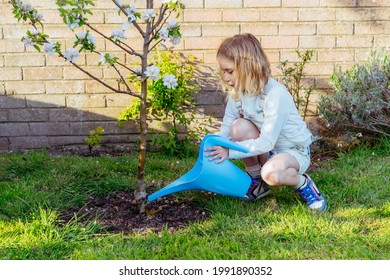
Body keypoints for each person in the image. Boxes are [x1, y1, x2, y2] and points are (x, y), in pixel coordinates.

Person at [205, 33, 327, 211]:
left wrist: (228, 152)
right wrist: (211, 147)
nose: (225, 77)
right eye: (223, 71)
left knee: (271, 173)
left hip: (292, 151)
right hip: (267, 150)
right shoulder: (238, 94)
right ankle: (258, 183)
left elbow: (266, 142)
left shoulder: (275, 95)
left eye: (230, 71)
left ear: (248, 67)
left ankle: (304, 184)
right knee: (238, 127)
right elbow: (226, 129)